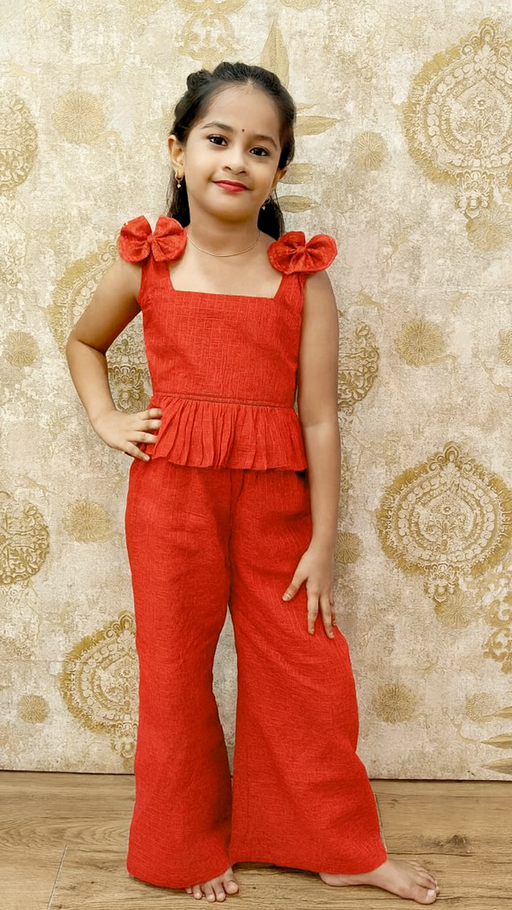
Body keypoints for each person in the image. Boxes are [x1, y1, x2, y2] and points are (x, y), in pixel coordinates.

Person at [66, 61, 439, 905]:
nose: (236, 159)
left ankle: (335, 844)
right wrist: (107, 418)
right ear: (178, 151)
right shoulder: (146, 264)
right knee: (174, 673)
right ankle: (181, 850)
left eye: (260, 148)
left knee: (307, 670)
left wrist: (323, 541)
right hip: (170, 502)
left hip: (277, 505)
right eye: (218, 138)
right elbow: (84, 343)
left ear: (280, 170)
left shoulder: (301, 278)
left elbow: (320, 420)